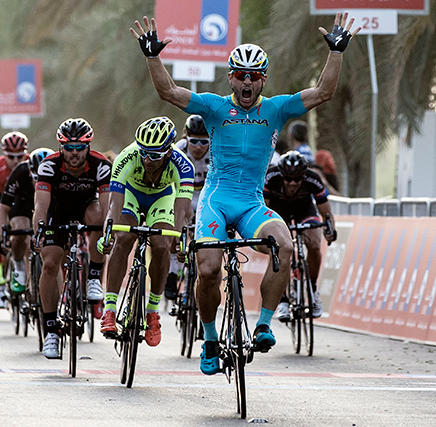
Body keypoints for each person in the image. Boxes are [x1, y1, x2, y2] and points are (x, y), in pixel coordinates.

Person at [130, 13, 359, 375]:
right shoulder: (214, 107)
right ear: (231, 78)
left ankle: (264, 324)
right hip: (216, 201)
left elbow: (324, 92)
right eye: (240, 75)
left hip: (252, 203)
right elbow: (169, 93)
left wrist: (336, 52)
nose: (247, 82)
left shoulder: (277, 108)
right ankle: (209, 339)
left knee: (284, 245)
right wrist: (152, 58)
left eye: (254, 76)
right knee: (207, 269)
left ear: (264, 79)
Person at [97, 116, 193, 347]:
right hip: (132, 194)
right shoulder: (127, 157)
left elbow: (181, 213)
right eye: (144, 152)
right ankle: (110, 309)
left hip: (162, 197)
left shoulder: (183, 166)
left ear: (169, 152)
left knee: (161, 245)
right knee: (123, 238)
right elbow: (113, 206)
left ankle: (152, 312)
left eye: (155, 154)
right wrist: (107, 233)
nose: (147, 159)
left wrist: (181, 242)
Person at [33, 118, 111, 359]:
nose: (74, 153)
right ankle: (51, 332)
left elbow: (108, 206)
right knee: (50, 263)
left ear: (88, 147)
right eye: (69, 148)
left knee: (99, 217)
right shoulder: (49, 166)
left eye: (80, 148)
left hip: (87, 204)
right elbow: (40, 206)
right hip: (57, 209)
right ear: (61, 147)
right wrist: (38, 232)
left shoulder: (101, 165)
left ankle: (94, 278)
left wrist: (109, 232)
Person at [264, 150, 337, 320]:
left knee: (313, 243)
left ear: (303, 176)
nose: (292, 183)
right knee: (279, 249)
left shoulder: (313, 179)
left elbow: (326, 213)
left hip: (304, 209)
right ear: (282, 175)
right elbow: (263, 209)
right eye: (288, 179)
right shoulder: (271, 177)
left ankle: (312, 289)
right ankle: (282, 299)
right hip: (277, 209)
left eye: (297, 179)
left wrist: (330, 229)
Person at [0, 147, 54, 304]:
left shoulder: (59, 173)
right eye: (36, 177)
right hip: (22, 203)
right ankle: (19, 266)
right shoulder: (20, 171)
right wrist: (1, 237)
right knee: (20, 231)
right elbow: (2, 209)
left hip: (49, 204)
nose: (39, 181)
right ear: (30, 171)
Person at [164, 114, 210, 300]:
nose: (198, 147)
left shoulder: (216, 151)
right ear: (185, 138)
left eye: (204, 142)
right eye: (194, 141)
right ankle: (172, 273)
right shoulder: (178, 150)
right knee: (177, 227)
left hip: (206, 197)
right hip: (183, 194)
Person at [0, 132, 29, 306]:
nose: (15, 160)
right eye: (11, 157)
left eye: (20, 156)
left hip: (23, 199)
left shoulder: (31, 164)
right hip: (1, 198)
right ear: (4, 154)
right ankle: (0, 275)